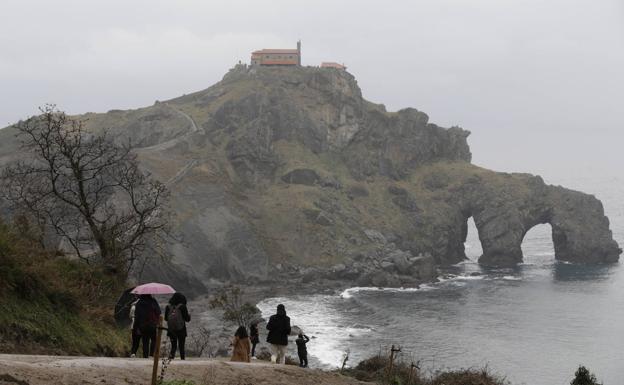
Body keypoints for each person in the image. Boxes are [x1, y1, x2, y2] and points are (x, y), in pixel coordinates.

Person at [133, 294, 162, 358]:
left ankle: (145, 356)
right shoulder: (153, 301)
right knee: (154, 339)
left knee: (145, 341)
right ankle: (151, 354)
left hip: (143, 325)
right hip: (152, 324)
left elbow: (137, 316)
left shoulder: (139, 303)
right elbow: (159, 312)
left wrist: (137, 327)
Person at [165, 292, 191, 360]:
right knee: (181, 346)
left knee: (173, 346)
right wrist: (189, 316)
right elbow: (187, 319)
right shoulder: (182, 307)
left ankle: (170, 359)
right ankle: (182, 359)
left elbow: (165, 318)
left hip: (171, 329)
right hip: (181, 329)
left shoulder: (168, 307)